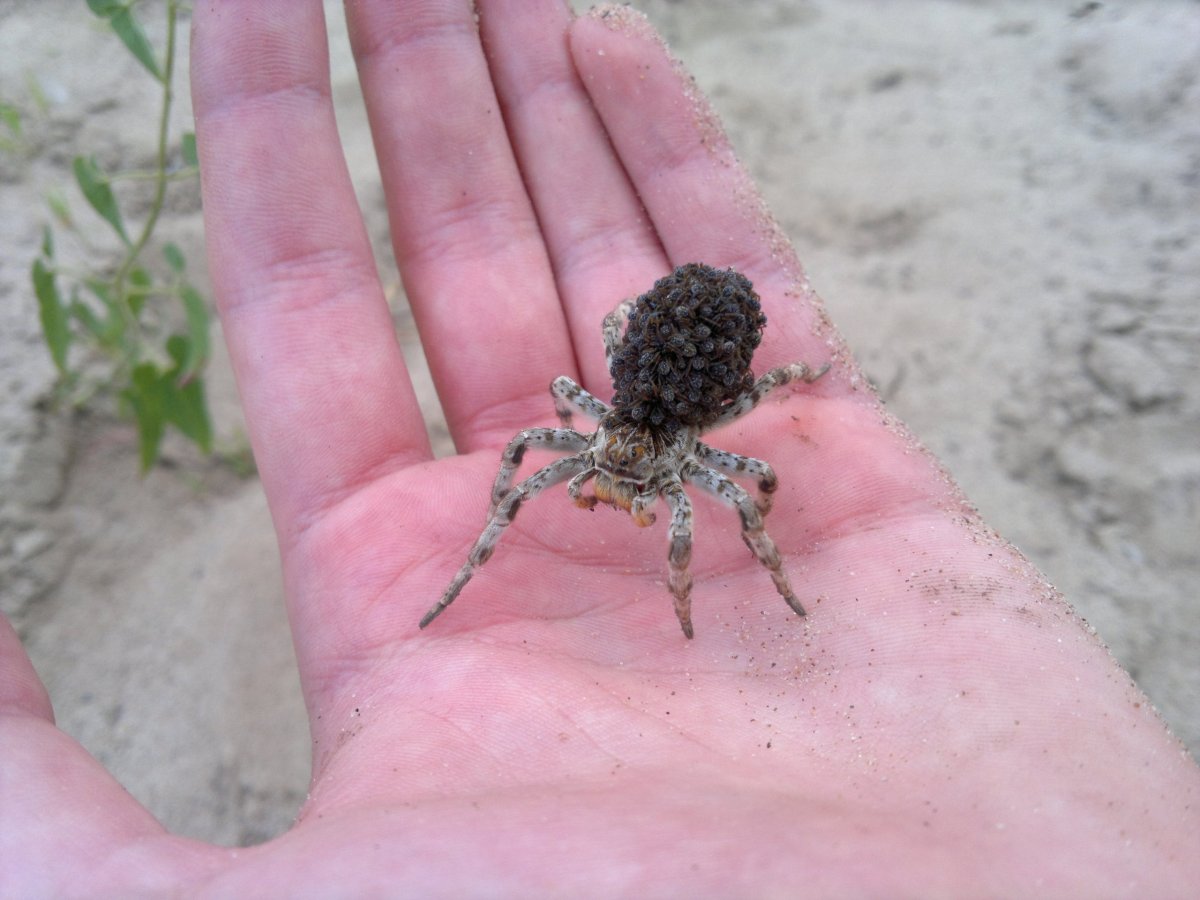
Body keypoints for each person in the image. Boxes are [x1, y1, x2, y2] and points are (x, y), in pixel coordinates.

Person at [2, 1, 1197, 893]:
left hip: (682, 377)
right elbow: (532, 454)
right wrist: (475, 558)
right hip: (660, 377)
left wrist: (754, 565)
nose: (620, 494)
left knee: (716, 491)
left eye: (623, 478)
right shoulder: (584, 431)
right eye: (613, 475)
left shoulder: (670, 458)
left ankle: (724, 552)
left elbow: (749, 473)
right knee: (577, 463)